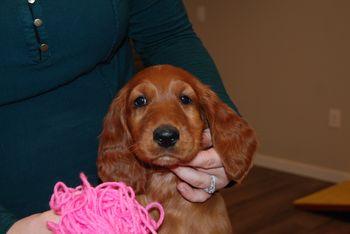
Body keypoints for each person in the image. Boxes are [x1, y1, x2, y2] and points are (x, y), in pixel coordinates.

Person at [0, 0, 239, 233]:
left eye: (185, 100)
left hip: (130, 194)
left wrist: (223, 140)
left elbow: (167, 35)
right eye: (141, 101)